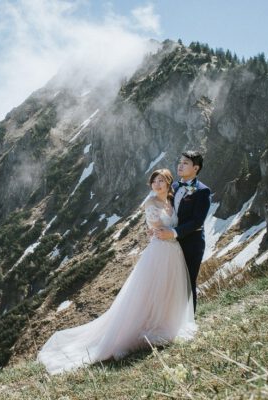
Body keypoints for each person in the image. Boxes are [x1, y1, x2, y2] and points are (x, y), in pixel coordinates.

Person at [37, 169, 197, 375]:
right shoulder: (151, 203)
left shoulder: (170, 201)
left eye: (161, 181)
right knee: (150, 292)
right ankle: (146, 329)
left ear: (168, 184)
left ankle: (162, 325)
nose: (157, 184)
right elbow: (156, 229)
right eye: (154, 181)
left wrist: (173, 233)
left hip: (173, 252)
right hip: (159, 252)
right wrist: (167, 233)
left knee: (167, 291)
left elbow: (172, 225)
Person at [151, 151, 211, 312]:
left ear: (196, 168)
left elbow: (197, 221)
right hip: (170, 244)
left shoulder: (203, 191)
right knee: (170, 281)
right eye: (180, 162)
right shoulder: (174, 186)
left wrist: (174, 232)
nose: (180, 165)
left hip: (192, 242)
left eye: (185, 163)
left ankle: (190, 320)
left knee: (187, 282)